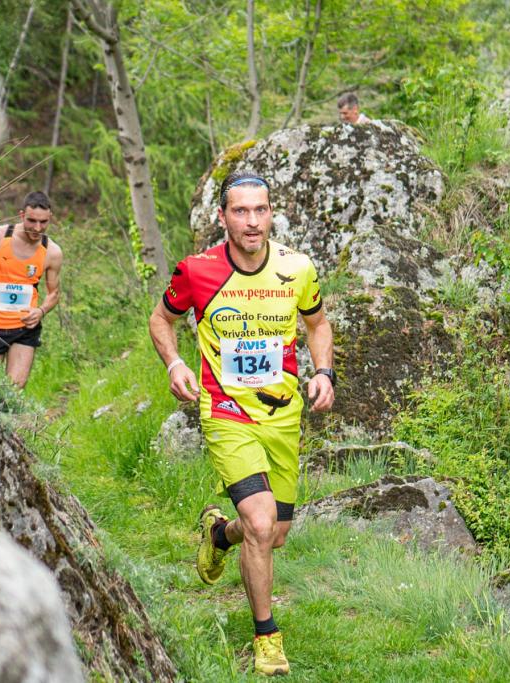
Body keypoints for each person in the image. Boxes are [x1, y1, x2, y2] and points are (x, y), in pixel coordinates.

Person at [148, 170, 336, 676]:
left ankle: (218, 536)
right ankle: (267, 637)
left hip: (282, 415)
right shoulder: (197, 270)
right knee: (260, 521)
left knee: (275, 533)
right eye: (241, 211)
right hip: (226, 411)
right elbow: (161, 319)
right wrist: (174, 363)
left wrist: (324, 372)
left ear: (271, 213)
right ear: (223, 216)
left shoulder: (297, 268)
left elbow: (318, 324)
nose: (252, 221)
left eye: (260, 210)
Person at [0, 191, 63, 389]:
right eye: (32, 221)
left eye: (43, 222)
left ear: (50, 218)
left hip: (25, 328)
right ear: (21, 215)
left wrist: (41, 311)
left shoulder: (52, 252)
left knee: (14, 389)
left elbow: (54, 293)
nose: (37, 228)